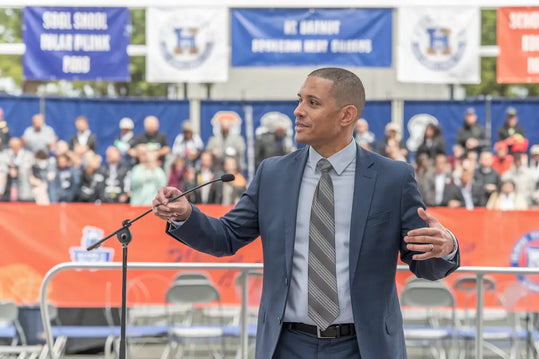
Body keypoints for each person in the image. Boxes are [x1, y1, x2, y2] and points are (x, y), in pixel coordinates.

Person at [152, 67, 459, 359]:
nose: (298, 111)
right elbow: (226, 237)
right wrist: (185, 214)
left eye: (312, 103)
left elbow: (424, 262)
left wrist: (446, 248)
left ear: (346, 115)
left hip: (364, 347)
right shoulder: (273, 173)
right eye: (299, 100)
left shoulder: (393, 178)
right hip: (286, 345)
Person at [0, 137, 35, 202]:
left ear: (20, 145)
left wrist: (17, 172)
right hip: (7, 190)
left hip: (25, 191)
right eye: (12, 146)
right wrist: (9, 169)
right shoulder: (5, 154)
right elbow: (2, 167)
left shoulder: (28, 155)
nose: (14, 148)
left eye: (16, 145)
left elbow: (28, 168)